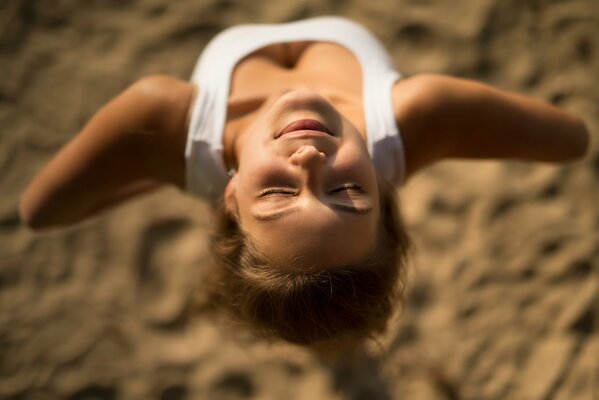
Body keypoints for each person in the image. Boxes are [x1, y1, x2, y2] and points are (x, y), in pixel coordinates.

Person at [19, 17, 589, 346]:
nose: (310, 162)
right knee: (328, 318)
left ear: (229, 195)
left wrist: (159, 173)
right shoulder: (420, 117)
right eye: (348, 193)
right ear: (386, 188)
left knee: (309, 314)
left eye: (277, 194)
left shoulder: (164, 121)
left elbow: (40, 213)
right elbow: (574, 141)